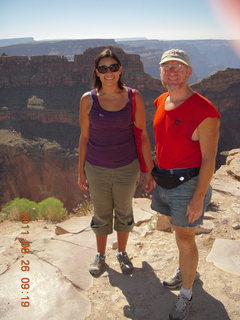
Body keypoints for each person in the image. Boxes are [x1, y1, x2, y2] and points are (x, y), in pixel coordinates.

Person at [151, 49, 220, 320]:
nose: (172, 72)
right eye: (166, 67)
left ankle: (187, 293)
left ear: (189, 72)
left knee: (185, 237)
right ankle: (186, 269)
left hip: (188, 185)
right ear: (160, 72)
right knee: (178, 234)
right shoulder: (160, 100)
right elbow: (164, 141)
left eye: (178, 67)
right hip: (164, 180)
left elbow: (209, 159)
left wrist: (198, 198)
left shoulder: (205, 111)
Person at [78, 48, 153, 276]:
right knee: (100, 213)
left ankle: (122, 252)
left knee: (124, 211)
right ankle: (101, 255)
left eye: (113, 67)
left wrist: (148, 171)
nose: (108, 72)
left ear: (120, 69)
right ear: (97, 72)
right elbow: (84, 137)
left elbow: (142, 135)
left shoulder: (134, 96)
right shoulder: (88, 99)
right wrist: (80, 171)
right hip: (96, 167)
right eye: (103, 68)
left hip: (126, 168)